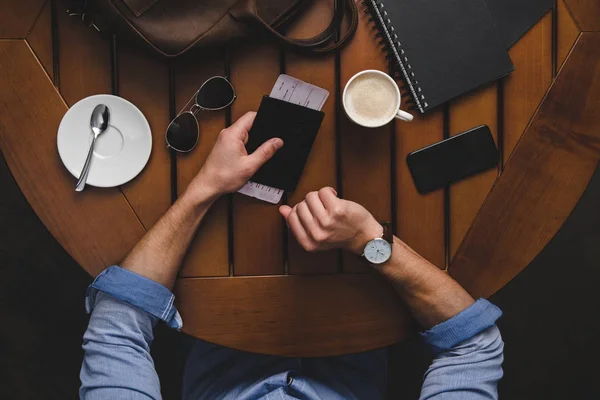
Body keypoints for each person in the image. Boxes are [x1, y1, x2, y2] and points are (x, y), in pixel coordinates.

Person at [79, 112, 504, 399]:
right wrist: (368, 240)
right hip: (358, 328)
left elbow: (117, 328)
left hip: (220, 333)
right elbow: (473, 346)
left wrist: (206, 186)